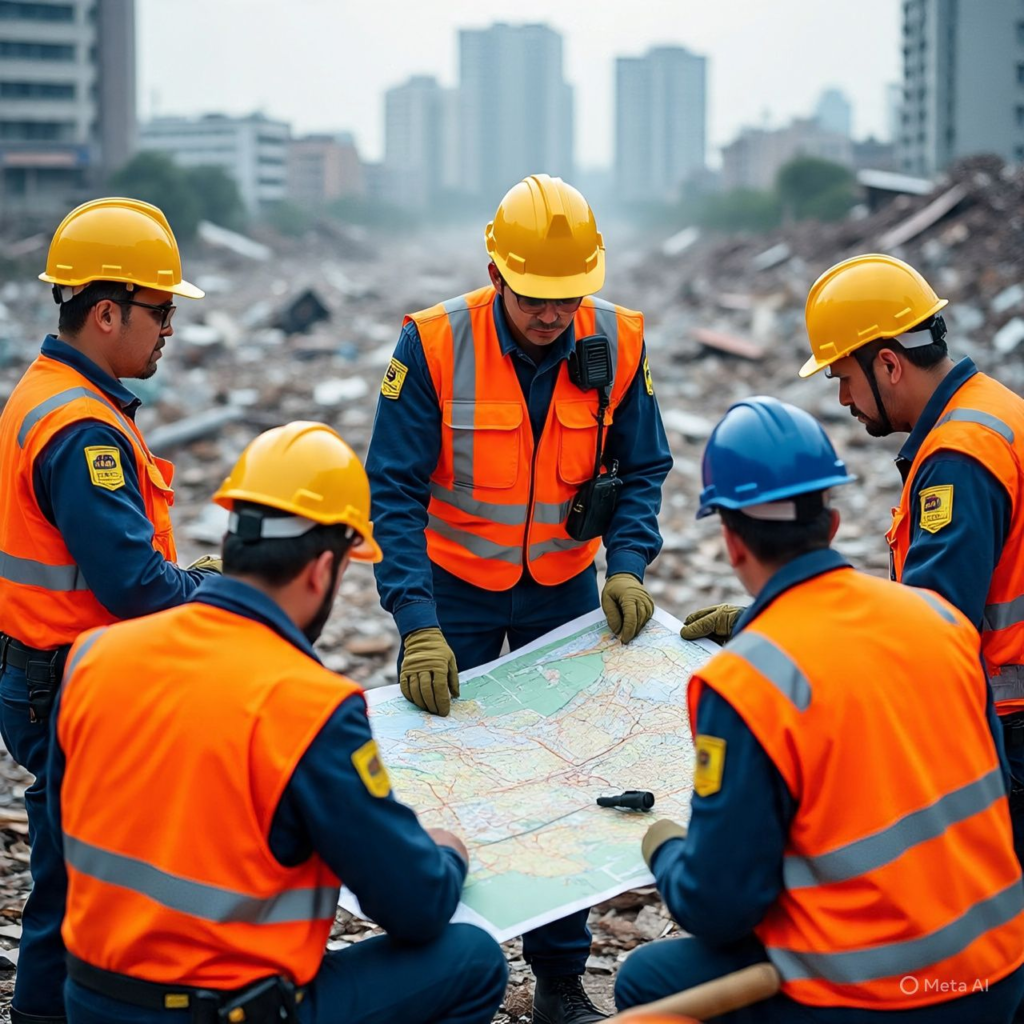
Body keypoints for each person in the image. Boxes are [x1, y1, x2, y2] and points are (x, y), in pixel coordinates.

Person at [46, 422, 509, 1024]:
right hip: (221, 1014)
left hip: (89, 999)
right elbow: (414, 907)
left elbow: (65, 828)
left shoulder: (96, 654)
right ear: (322, 570)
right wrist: (446, 854)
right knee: (472, 960)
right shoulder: (308, 704)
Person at [365, 173, 673, 1023]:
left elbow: (643, 467)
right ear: (496, 274)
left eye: (569, 296)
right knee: (442, 777)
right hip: (453, 594)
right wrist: (416, 623)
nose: (552, 314)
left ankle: (561, 979)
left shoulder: (619, 341)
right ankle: (437, 965)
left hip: (565, 590)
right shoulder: (433, 344)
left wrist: (627, 565)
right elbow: (390, 489)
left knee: (566, 777)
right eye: (536, 298)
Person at [616, 396, 1024, 1024]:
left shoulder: (745, 682)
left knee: (649, 982)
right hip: (998, 973)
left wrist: (667, 851)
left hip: (884, 998)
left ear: (731, 542)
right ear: (830, 523)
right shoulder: (939, 619)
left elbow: (720, 907)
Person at [681, 255, 1024, 862]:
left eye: (843, 376)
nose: (842, 398)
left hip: (1007, 728)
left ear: (888, 363)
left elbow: (929, 631)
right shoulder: (990, 407)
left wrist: (787, 631)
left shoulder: (957, 458)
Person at [0, 197, 216, 1024]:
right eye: (161, 312)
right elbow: (135, 587)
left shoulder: (44, 391)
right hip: (70, 692)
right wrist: (218, 590)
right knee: (74, 902)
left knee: (68, 886)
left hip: (46, 678)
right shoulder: (81, 431)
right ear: (106, 311)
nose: (169, 330)